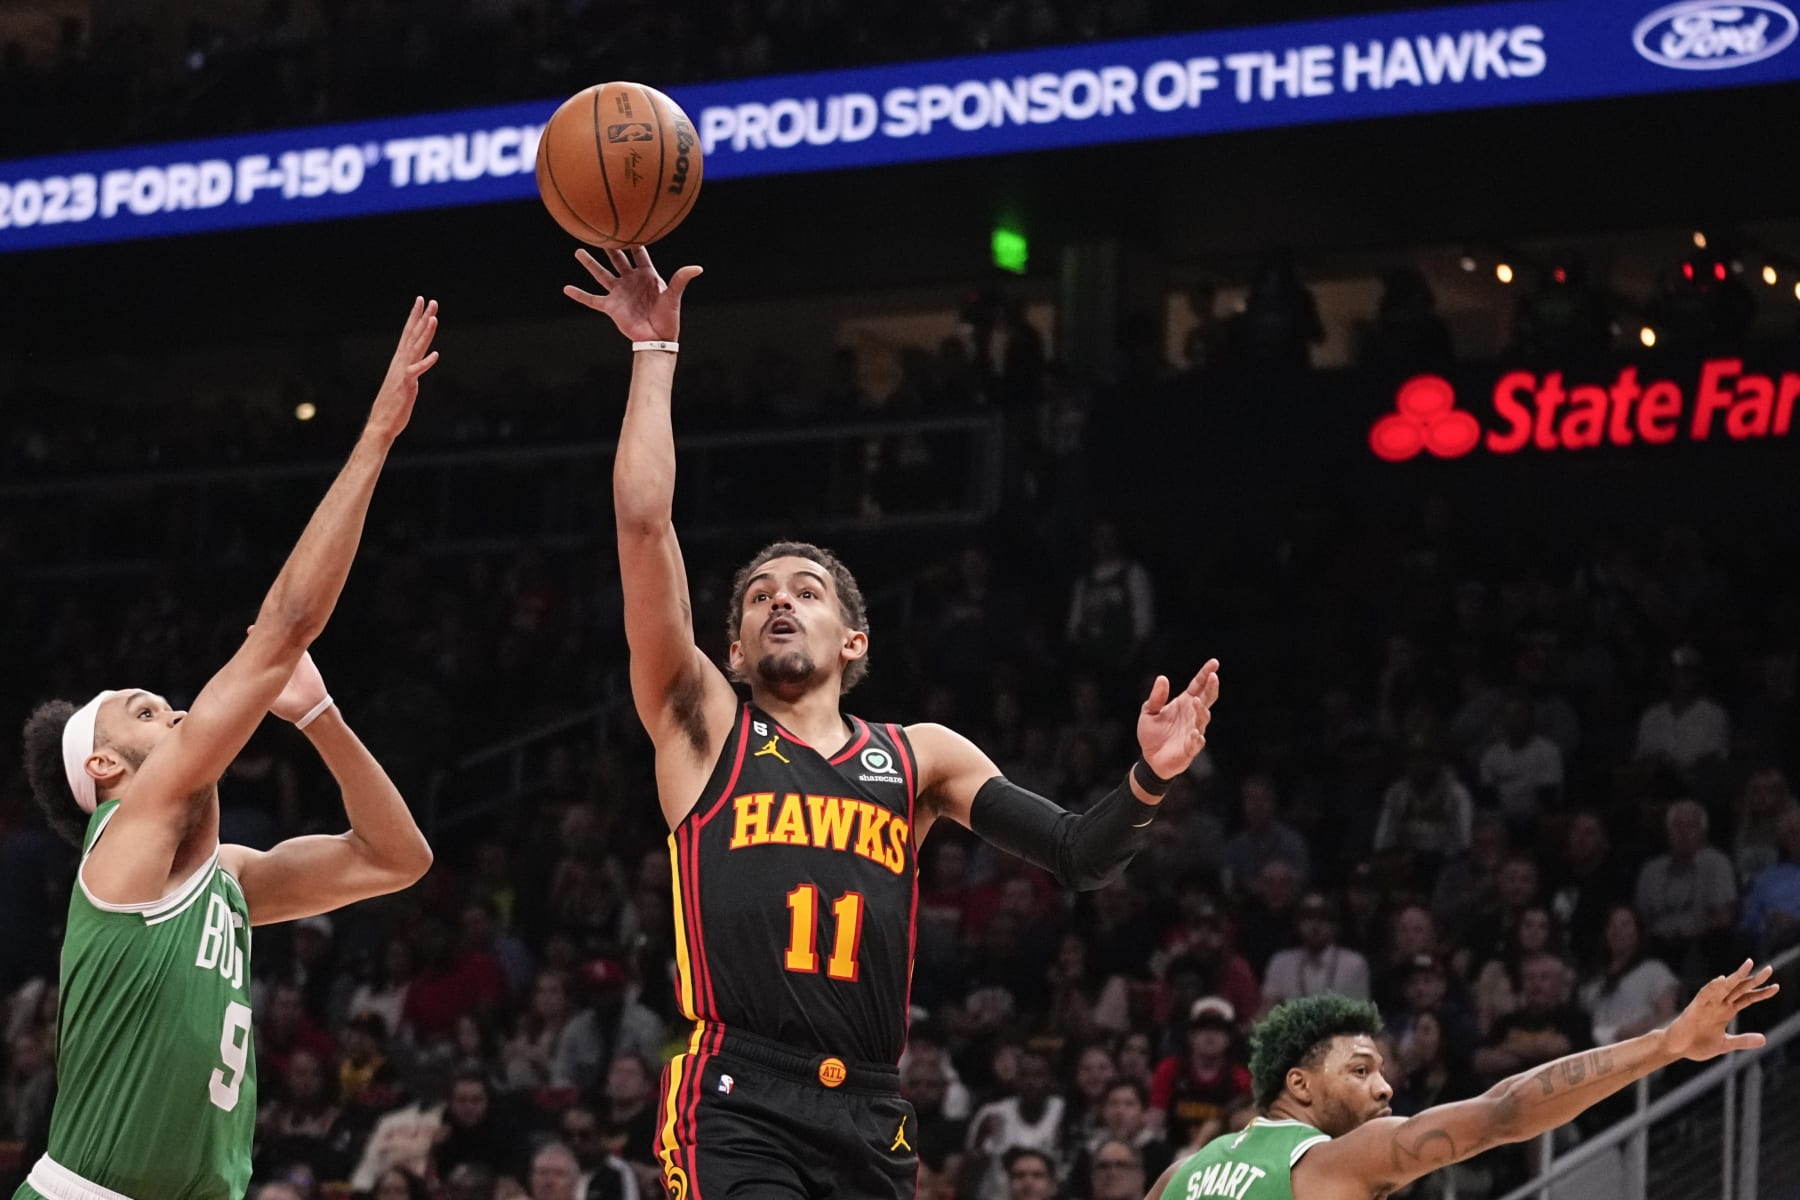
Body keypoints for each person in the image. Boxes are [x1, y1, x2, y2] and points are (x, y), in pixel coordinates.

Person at [565, 245, 1220, 1200]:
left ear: (855, 641)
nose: (778, 603)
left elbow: (1082, 855)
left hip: (871, 1110)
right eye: (756, 599)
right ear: (735, 652)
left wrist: (1150, 778)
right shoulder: (702, 725)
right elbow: (641, 524)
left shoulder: (919, 759)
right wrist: (654, 357)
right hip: (737, 1096)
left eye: (807, 591)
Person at [13, 300, 441, 1200]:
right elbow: (286, 623)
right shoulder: (125, 839)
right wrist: (375, 435)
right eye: (143, 712)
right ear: (105, 770)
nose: (170, 709)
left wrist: (320, 715)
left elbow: (397, 859)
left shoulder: (230, 884)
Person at [1143, 964, 1778, 1200]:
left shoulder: (1178, 1178)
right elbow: (1505, 1110)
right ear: (1300, 1086)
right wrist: (1663, 1044)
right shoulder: (1330, 1165)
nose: (1385, 1089)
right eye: (1361, 1071)